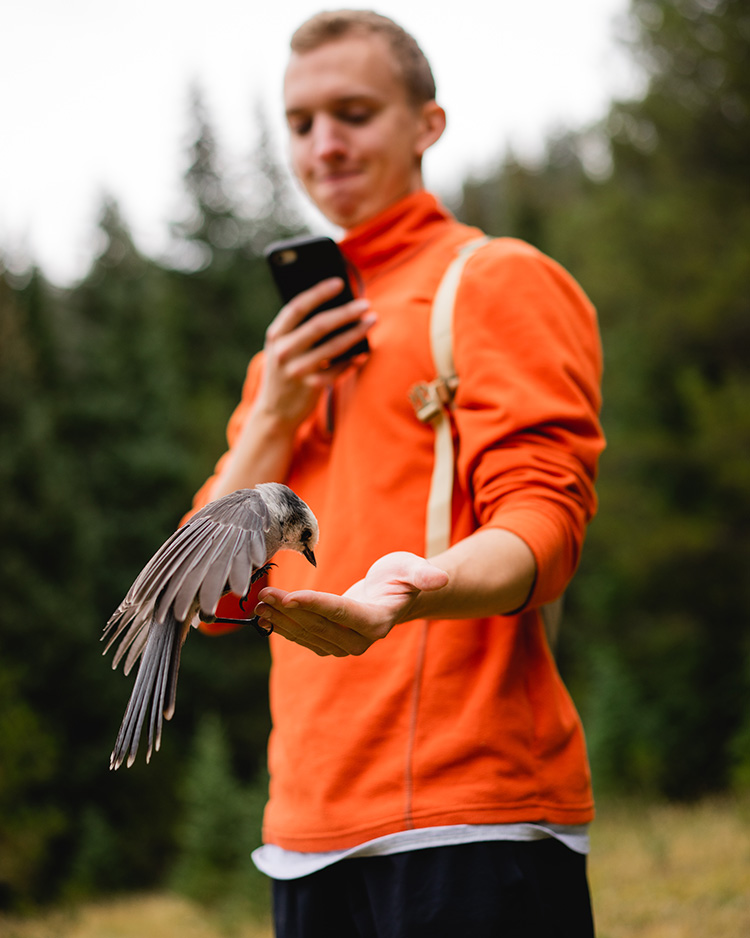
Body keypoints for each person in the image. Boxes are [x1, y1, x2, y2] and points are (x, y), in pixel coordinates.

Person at [189, 9, 604, 936]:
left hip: (471, 818)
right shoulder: (284, 358)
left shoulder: (494, 279)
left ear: (428, 126)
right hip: (303, 826)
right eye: (300, 123)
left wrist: (410, 592)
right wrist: (273, 414)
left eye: (354, 113)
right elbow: (202, 597)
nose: (324, 145)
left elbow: (544, 523)